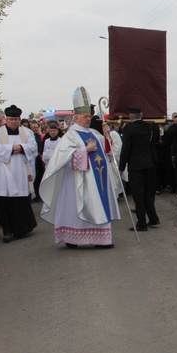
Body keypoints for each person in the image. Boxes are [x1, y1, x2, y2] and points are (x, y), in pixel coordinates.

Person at [40, 87, 122, 246]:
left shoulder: (94, 133)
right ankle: (72, 239)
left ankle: (101, 240)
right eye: (85, 116)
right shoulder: (70, 135)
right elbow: (63, 156)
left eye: (89, 116)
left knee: (98, 205)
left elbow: (107, 150)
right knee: (77, 207)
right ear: (76, 117)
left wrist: (106, 136)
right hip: (77, 181)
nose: (88, 119)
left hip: (98, 180)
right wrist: (85, 150)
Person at [0, 105, 38, 243]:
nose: (13, 122)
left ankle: (20, 229)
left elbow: (34, 147)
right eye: (10, 119)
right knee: (5, 202)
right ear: (6, 119)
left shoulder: (27, 132)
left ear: (19, 119)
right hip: (4, 172)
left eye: (16, 119)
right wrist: (10, 149)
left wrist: (21, 147)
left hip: (21, 171)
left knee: (20, 202)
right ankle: (7, 231)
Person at [118, 105, 160, 232]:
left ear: (130, 117)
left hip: (135, 165)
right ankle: (153, 218)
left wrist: (121, 166)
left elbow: (126, 149)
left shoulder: (128, 129)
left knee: (138, 194)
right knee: (147, 193)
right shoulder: (148, 127)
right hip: (148, 163)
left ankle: (141, 223)